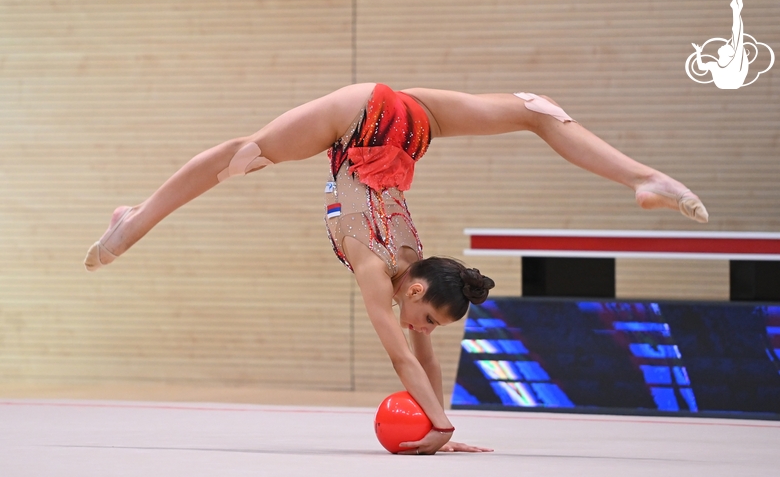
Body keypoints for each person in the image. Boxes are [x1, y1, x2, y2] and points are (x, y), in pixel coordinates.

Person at [83, 82, 708, 454]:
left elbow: (420, 350)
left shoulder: (415, 267)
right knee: (237, 156)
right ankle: (134, 223)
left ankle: (647, 179)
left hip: (406, 124)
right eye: (430, 316)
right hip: (358, 119)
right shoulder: (376, 271)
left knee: (531, 106)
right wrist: (439, 423)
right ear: (414, 289)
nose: (425, 327)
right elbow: (404, 360)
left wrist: (443, 425)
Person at [692, 0, 748, 89]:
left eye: (727, 46)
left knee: (737, 36)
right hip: (730, 82)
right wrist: (698, 52)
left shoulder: (727, 63)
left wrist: (698, 52)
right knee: (737, 37)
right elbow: (701, 67)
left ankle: (736, 8)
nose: (724, 44)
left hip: (732, 81)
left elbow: (737, 34)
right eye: (728, 45)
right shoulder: (717, 64)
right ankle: (736, 8)